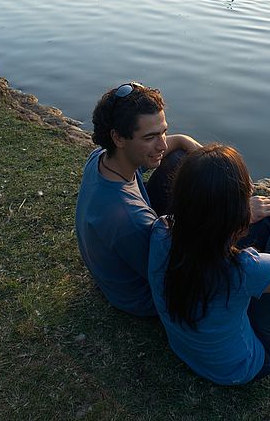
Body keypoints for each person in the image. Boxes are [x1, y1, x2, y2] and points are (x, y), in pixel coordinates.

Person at [148, 144, 270, 385]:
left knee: (268, 219)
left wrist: (249, 212)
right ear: (234, 211)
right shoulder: (242, 268)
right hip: (241, 367)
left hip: (185, 347)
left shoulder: (162, 230)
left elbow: (207, 224)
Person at [75, 82, 201, 317]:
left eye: (164, 132)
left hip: (127, 253)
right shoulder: (130, 219)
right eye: (151, 137)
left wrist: (185, 140)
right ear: (118, 138)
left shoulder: (102, 158)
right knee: (256, 229)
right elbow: (175, 278)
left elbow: (168, 147)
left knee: (178, 158)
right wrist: (231, 215)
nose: (162, 143)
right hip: (146, 296)